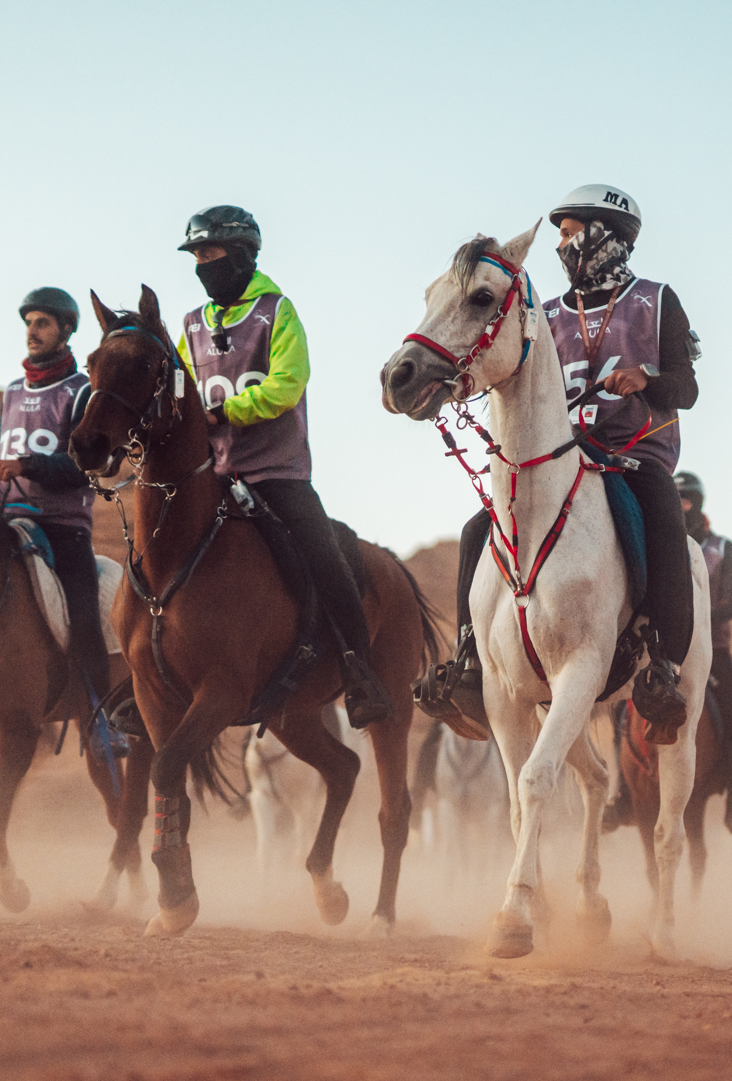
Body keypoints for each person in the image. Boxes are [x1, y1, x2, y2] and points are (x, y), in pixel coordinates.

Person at [422, 183, 703, 744]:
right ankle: (470, 660)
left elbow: (687, 388)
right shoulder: (544, 312)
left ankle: (663, 666)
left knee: (663, 516)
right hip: (563, 452)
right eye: (561, 235)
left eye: (574, 233)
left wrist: (647, 381)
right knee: (479, 526)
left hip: (634, 453)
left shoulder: (657, 298)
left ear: (611, 238)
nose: (564, 245)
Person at [176, 206, 390, 728]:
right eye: (198, 256)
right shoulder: (189, 326)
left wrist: (223, 411)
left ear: (243, 254)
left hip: (277, 474)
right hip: (213, 477)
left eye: (212, 253)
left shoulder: (278, 312)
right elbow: (178, 393)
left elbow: (286, 386)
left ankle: (360, 674)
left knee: (325, 557)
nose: (204, 265)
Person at [0, 287, 114, 753]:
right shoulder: (13, 392)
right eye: (29, 324)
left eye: (42, 324)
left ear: (66, 331)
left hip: (63, 527)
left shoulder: (81, 392)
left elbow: (83, 466)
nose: (32, 332)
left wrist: (27, 466)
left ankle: (101, 721)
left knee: (83, 616)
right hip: (8, 521)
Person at [677, 472, 732, 833]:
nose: (680, 507)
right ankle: (623, 796)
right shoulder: (663, 543)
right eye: (675, 500)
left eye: (686, 500)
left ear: (698, 503)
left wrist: (701, 614)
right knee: (622, 709)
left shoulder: (723, 548)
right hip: (667, 643)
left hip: (712, 647)